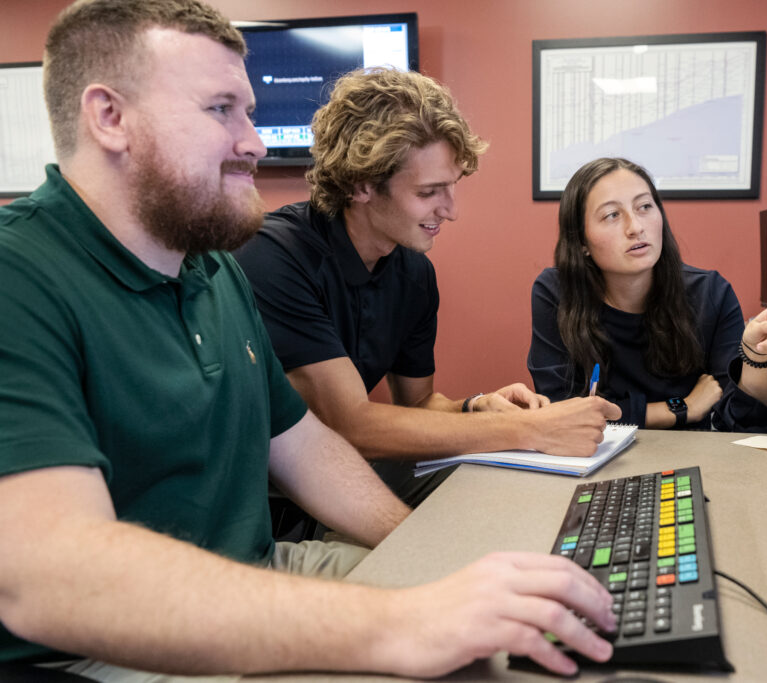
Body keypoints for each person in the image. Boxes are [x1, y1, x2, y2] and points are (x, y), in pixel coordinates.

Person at [0, 1, 616, 679]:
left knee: (505, 640)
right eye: (220, 110)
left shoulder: (213, 269)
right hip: (95, 647)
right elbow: (53, 578)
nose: (256, 143)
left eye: (250, 113)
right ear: (109, 117)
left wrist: (436, 560)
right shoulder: (19, 277)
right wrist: (403, 619)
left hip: (257, 566)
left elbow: (307, 448)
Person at [234, 68, 620, 506]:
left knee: (514, 492)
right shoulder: (273, 254)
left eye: (451, 188)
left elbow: (417, 405)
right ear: (362, 183)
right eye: (429, 192)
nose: (450, 211)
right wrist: (530, 430)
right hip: (271, 496)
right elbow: (350, 424)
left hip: (353, 468)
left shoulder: (413, 271)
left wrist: (475, 406)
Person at [528, 157, 767, 432]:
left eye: (645, 207)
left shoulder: (710, 293)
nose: (636, 227)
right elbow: (560, 411)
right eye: (612, 215)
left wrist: (757, 354)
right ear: (581, 242)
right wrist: (681, 408)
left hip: (690, 461)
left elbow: (743, 423)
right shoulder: (556, 293)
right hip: (595, 458)